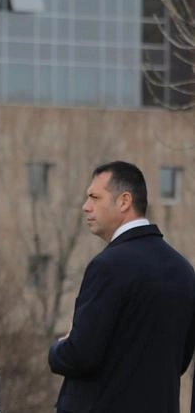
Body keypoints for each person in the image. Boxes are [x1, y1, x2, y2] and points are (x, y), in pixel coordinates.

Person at [48, 161, 195, 413]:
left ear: (124, 201)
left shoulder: (109, 265)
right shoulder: (183, 270)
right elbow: (179, 361)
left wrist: (59, 348)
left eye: (94, 197)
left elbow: (81, 354)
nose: (86, 207)